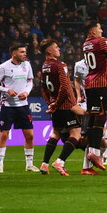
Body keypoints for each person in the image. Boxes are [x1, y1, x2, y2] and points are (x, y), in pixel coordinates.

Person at [38, 39, 85, 176]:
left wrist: (51, 103)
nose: (59, 49)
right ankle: (60, 161)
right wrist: (57, 104)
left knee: (56, 133)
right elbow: (65, 87)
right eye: (56, 47)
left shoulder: (44, 66)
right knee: (75, 133)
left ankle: (44, 164)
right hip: (65, 105)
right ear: (49, 51)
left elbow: (43, 88)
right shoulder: (60, 65)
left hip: (56, 106)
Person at [0, 43, 36, 173]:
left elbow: (30, 81)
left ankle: (29, 165)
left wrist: (26, 92)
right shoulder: (3, 67)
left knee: (30, 135)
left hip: (23, 105)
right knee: (4, 134)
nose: (25, 54)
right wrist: (6, 90)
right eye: (22, 52)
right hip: (8, 105)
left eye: (25, 51)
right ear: (14, 53)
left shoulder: (27, 65)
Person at [82, 21, 107, 174]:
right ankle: (95, 153)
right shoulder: (101, 42)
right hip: (101, 83)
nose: (102, 30)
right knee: (101, 119)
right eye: (99, 28)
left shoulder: (85, 44)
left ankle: (86, 168)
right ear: (93, 31)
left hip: (89, 84)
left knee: (92, 121)